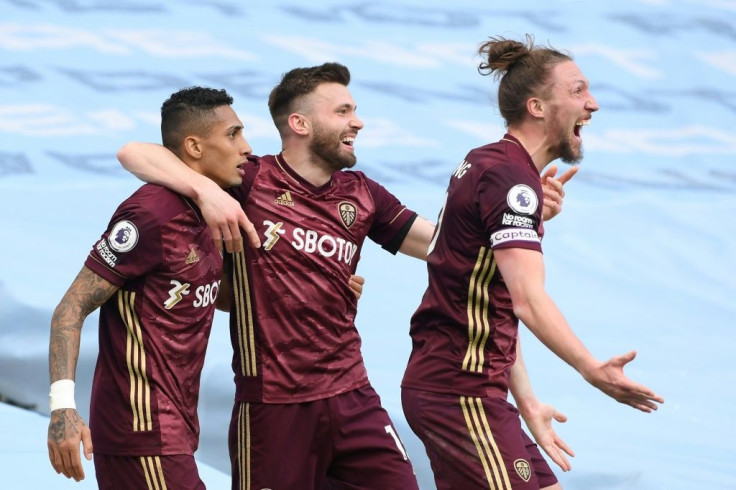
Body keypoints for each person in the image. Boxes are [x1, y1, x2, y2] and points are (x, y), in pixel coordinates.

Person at [117, 62, 576, 490]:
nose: (357, 122)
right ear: (300, 124)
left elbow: (447, 248)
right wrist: (206, 192)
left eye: (355, 110)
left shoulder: (363, 195)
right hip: (272, 408)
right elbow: (133, 152)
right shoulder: (250, 181)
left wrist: (512, 217)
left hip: (353, 397)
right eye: (343, 111)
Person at [400, 35, 665, 490]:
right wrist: (591, 369)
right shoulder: (509, 179)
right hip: (459, 391)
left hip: (473, 391)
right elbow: (526, 300)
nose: (593, 104)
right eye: (578, 90)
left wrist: (526, 402)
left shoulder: (491, 165)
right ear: (537, 106)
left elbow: (490, 297)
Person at [46, 86, 253, 488]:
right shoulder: (151, 214)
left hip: (173, 426)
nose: (245, 147)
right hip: (140, 427)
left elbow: (215, 294)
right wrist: (62, 410)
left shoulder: (215, 207)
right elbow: (69, 309)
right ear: (194, 146)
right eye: (233, 134)